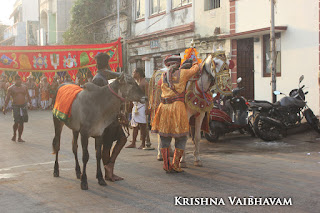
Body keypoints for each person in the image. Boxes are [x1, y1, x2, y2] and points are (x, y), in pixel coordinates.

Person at [151, 55, 199, 173]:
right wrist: (195, 62)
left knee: (164, 137)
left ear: (167, 65)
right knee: (181, 137)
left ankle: (167, 165)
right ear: (178, 64)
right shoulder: (182, 73)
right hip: (178, 107)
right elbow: (196, 69)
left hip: (164, 108)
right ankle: (176, 165)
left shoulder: (162, 76)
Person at [92, 52, 127, 182]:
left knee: (121, 139)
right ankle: (109, 170)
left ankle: (109, 167)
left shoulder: (102, 77)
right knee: (106, 146)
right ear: (106, 64)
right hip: (104, 119)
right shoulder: (99, 79)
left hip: (109, 116)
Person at [3, 75, 32, 142]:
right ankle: (14, 135)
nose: (19, 81)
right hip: (15, 106)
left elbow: (28, 95)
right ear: (15, 80)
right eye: (18, 80)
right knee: (16, 122)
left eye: (20, 79)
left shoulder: (24, 87)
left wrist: (30, 103)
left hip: (23, 106)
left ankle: (19, 137)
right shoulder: (11, 88)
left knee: (21, 122)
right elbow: (7, 98)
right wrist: (5, 107)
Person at [126, 68, 148, 149]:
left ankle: (143, 143)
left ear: (138, 73)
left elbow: (148, 95)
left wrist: (148, 107)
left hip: (142, 105)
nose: (133, 73)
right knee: (134, 125)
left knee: (143, 125)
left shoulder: (144, 83)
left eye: (134, 72)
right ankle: (133, 142)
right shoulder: (136, 83)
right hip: (136, 105)